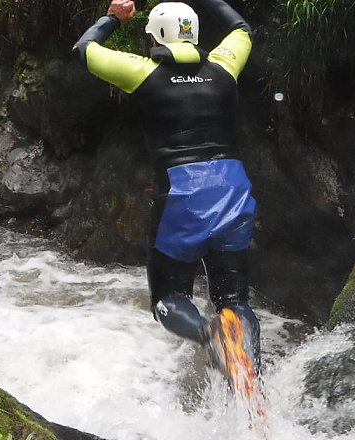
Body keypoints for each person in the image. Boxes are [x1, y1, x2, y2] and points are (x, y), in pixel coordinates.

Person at [73, 0, 262, 374]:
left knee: (169, 296)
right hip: (233, 187)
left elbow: (85, 49)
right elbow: (243, 29)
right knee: (234, 299)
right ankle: (251, 375)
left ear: (158, 37)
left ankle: (210, 334)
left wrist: (113, 17)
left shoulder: (142, 71)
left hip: (183, 193)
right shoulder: (224, 64)